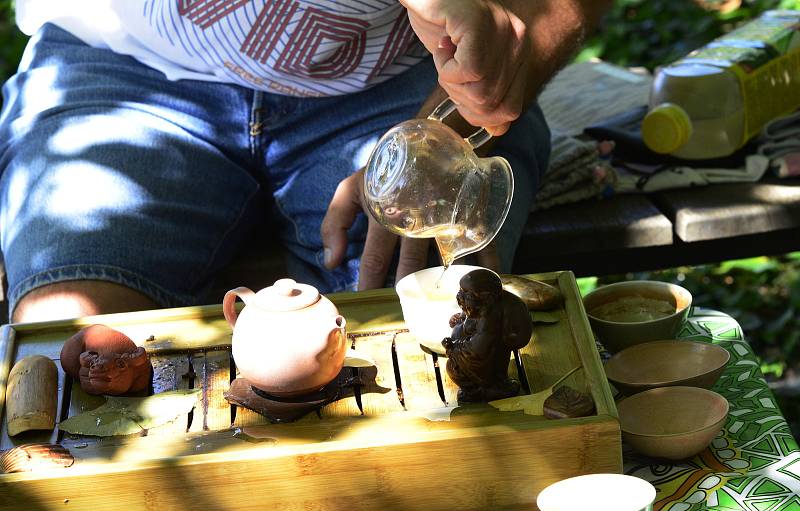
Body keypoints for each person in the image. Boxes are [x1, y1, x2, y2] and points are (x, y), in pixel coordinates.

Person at [0, 0, 611, 323]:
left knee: (428, 315)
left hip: (402, 80)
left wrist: (437, 132)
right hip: (116, 62)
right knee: (66, 333)